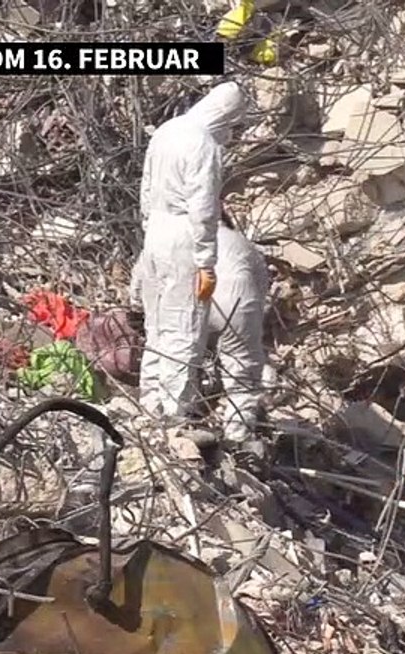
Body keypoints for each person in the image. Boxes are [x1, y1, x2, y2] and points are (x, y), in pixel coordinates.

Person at [134, 82, 246, 422]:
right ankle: (176, 410)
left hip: (156, 229)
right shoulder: (204, 144)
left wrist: (149, 230)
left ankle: (151, 399)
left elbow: (146, 188)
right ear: (226, 115)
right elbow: (203, 208)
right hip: (184, 234)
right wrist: (206, 262)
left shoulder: (167, 131)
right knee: (186, 323)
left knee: (157, 322)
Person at [208, 210, 270, 456]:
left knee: (183, 364)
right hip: (235, 304)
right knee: (242, 377)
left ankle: (177, 427)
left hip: (191, 303)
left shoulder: (181, 238)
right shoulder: (243, 244)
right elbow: (260, 290)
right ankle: (237, 440)